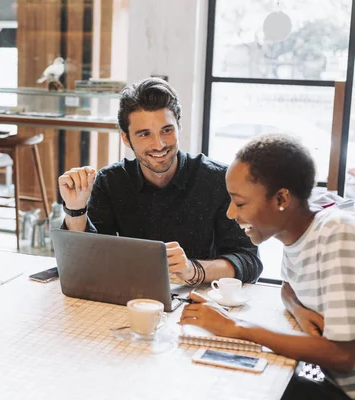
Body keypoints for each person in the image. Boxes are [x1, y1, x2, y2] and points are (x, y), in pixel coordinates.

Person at [180, 134, 355, 399]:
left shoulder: (336, 232)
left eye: (239, 203)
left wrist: (239, 328)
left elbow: (345, 356)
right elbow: (288, 286)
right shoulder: (297, 232)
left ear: (282, 200)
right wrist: (298, 310)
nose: (230, 213)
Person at [58, 78, 262, 284]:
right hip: (131, 298)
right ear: (126, 139)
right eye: (145, 134)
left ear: (179, 127)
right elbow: (88, 261)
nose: (159, 144)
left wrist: (193, 269)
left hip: (199, 301)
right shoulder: (111, 181)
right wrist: (76, 209)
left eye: (167, 130)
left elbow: (248, 260)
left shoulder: (218, 180)